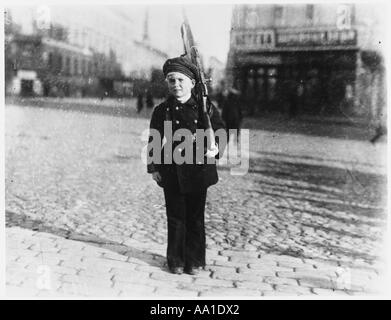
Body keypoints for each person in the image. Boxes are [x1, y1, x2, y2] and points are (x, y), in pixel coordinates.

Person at [147, 56, 226, 275]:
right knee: (175, 217)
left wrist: (215, 147)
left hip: (199, 171)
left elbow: (220, 131)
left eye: (181, 80)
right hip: (172, 171)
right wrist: (154, 168)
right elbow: (154, 138)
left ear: (192, 83)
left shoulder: (205, 108)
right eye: (171, 80)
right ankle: (176, 261)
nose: (176, 85)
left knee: (195, 217)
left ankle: (196, 261)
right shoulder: (162, 110)